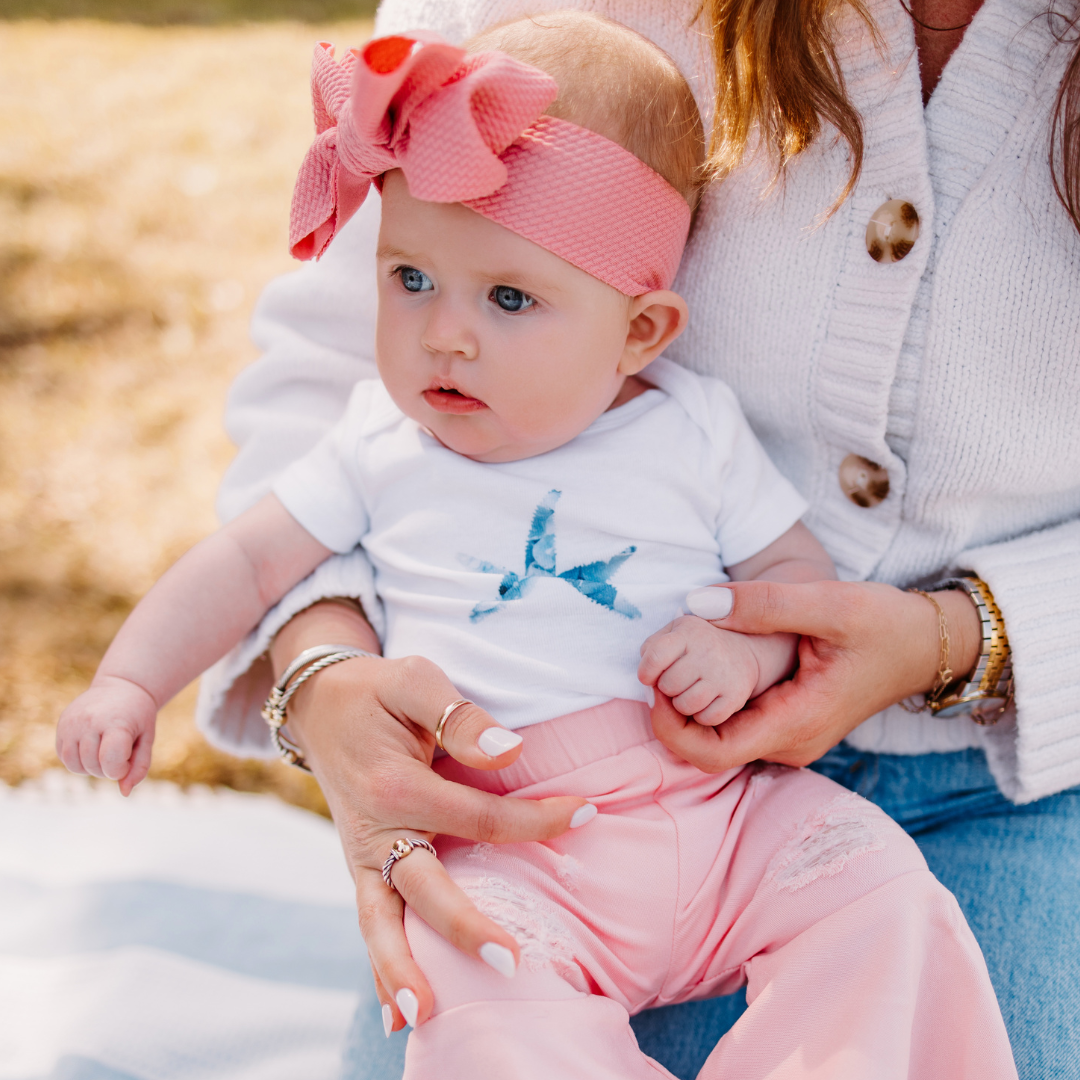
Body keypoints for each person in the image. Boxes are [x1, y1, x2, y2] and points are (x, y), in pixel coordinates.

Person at [55, 17, 1016, 1079]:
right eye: (411, 278)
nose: (444, 334)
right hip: (515, 847)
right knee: (472, 989)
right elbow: (241, 567)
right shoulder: (378, 447)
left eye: (509, 298)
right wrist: (128, 684)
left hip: (724, 815)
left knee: (877, 891)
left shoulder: (687, 429)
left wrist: (748, 658)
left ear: (641, 331)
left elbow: (792, 580)